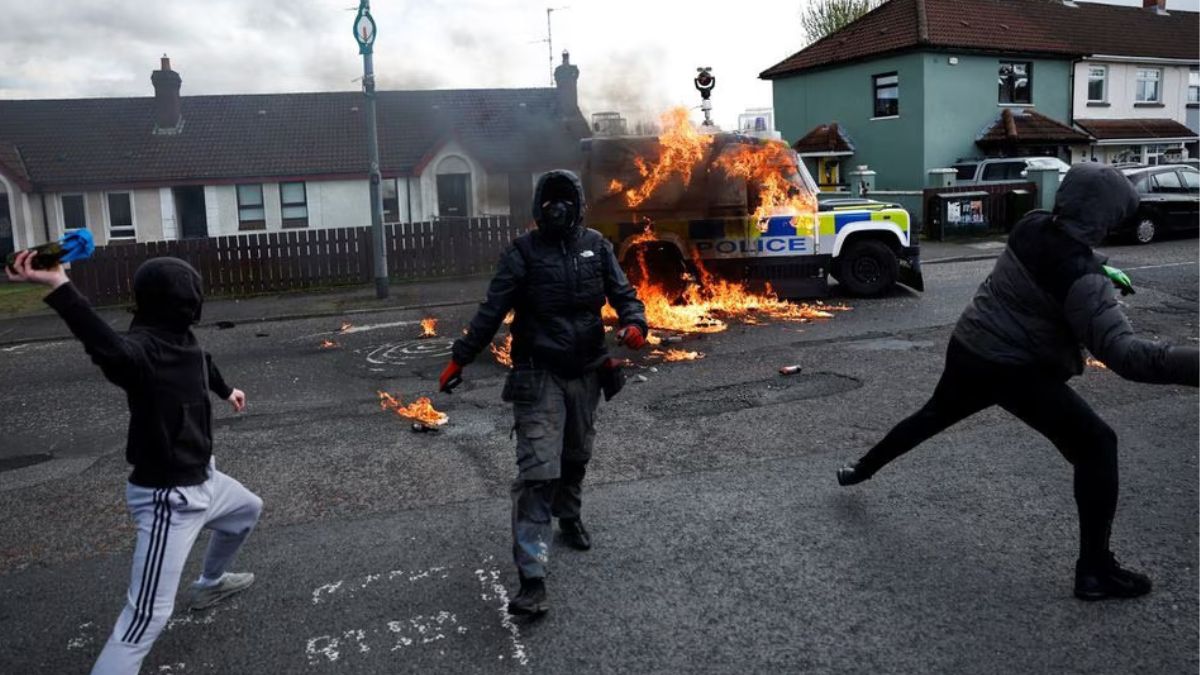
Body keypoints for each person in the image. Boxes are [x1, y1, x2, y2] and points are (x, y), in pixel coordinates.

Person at [835, 163, 1198, 601]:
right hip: (1015, 369)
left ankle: (860, 470)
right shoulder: (1081, 280)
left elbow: (1062, 253)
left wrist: (1099, 267)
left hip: (971, 346)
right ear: (1106, 215)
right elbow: (1128, 357)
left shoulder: (1032, 224)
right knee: (1097, 445)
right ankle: (1095, 570)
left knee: (932, 415)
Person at [6, 252, 263, 673]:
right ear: (183, 303)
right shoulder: (142, 351)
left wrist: (226, 389)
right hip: (170, 500)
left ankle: (209, 585)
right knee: (145, 619)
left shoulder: (179, 336)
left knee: (247, 511)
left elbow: (202, 361)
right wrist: (60, 286)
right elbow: (111, 351)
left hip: (204, 478)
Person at [439, 170, 648, 616]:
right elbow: (491, 310)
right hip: (538, 373)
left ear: (577, 205)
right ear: (538, 208)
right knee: (537, 472)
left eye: (565, 200)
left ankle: (569, 516)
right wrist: (461, 357)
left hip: (588, 370)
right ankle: (532, 578)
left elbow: (624, 293)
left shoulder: (597, 245)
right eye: (550, 201)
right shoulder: (522, 253)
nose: (558, 209)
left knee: (575, 456)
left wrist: (635, 323)